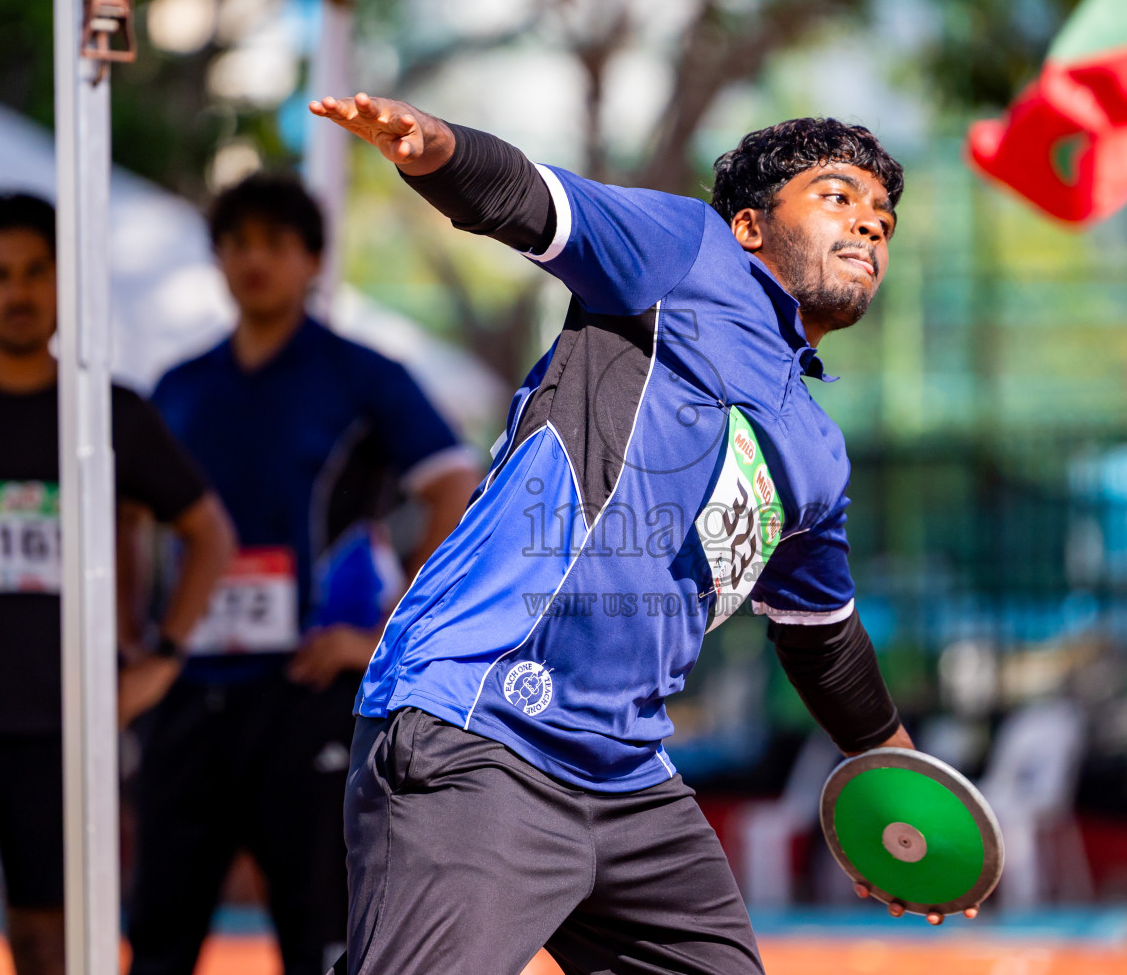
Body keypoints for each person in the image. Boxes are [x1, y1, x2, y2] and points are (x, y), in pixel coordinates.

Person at [307, 92, 978, 975]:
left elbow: (821, 638)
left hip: (629, 780)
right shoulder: (687, 255)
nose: (869, 227)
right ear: (749, 224)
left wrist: (898, 780)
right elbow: (533, 202)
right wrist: (436, 149)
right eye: (838, 197)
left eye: (885, 219)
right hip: (481, 731)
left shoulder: (817, 452)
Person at [128, 175, 481, 975]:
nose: (256, 260)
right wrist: (134, 638)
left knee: (321, 931)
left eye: (277, 244)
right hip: (189, 691)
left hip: (309, 692)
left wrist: (388, 636)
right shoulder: (181, 388)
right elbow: (126, 516)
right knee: (158, 930)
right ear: (217, 258)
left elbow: (455, 484)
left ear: (313, 261)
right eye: (239, 243)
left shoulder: (361, 375)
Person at [0, 193, 235, 975]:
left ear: (65, 280)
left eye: (37, 271)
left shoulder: (109, 411)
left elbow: (209, 533)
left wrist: (163, 656)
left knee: (52, 948)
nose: (19, 292)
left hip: (69, 733)